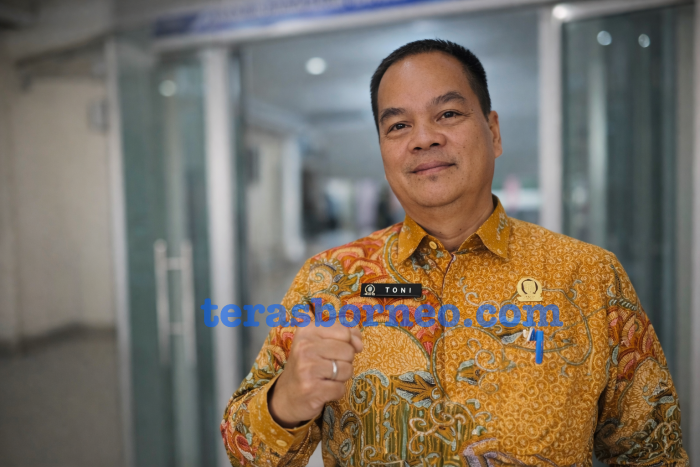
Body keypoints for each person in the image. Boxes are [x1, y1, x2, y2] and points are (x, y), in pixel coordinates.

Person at [220, 39, 688, 466]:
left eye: (447, 114)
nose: (423, 138)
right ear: (383, 149)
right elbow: (245, 452)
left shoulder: (588, 275)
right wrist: (285, 402)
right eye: (398, 125)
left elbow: (653, 453)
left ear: (494, 131)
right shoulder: (330, 279)